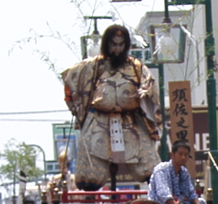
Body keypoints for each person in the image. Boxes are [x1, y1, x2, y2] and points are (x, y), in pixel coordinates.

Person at [61, 25, 162, 188]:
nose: (117, 49)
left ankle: (152, 183)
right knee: (90, 167)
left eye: (121, 45)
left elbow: (150, 84)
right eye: (113, 45)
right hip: (98, 118)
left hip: (131, 119)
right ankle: (90, 184)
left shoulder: (135, 66)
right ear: (106, 44)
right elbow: (70, 79)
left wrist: (143, 91)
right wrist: (73, 105)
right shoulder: (93, 65)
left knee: (149, 166)